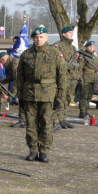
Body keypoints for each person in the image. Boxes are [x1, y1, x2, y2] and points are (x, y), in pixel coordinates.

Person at [15, 25, 65, 162]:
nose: (38, 40)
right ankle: (32, 150)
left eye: (41, 37)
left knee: (46, 123)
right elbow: (20, 77)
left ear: (46, 38)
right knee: (30, 124)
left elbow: (62, 76)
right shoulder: (26, 54)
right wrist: (20, 96)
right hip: (29, 94)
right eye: (36, 37)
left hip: (48, 94)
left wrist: (59, 97)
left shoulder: (54, 53)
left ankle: (44, 151)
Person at [53, 25, 77, 129]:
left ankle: (63, 118)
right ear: (63, 34)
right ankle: (56, 119)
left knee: (67, 98)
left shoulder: (73, 47)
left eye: (72, 33)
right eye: (69, 33)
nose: (71, 34)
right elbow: (58, 62)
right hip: (61, 77)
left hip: (71, 77)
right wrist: (69, 66)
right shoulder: (57, 46)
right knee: (59, 98)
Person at [77, 41, 98, 119]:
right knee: (84, 96)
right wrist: (81, 79)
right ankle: (82, 111)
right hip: (86, 78)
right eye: (90, 47)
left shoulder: (94, 55)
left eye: (93, 46)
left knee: (89, 96)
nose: (92, 48)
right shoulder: (83, 55)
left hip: (93, 78)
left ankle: (86, 110)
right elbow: (80, 68)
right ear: (87, 47)